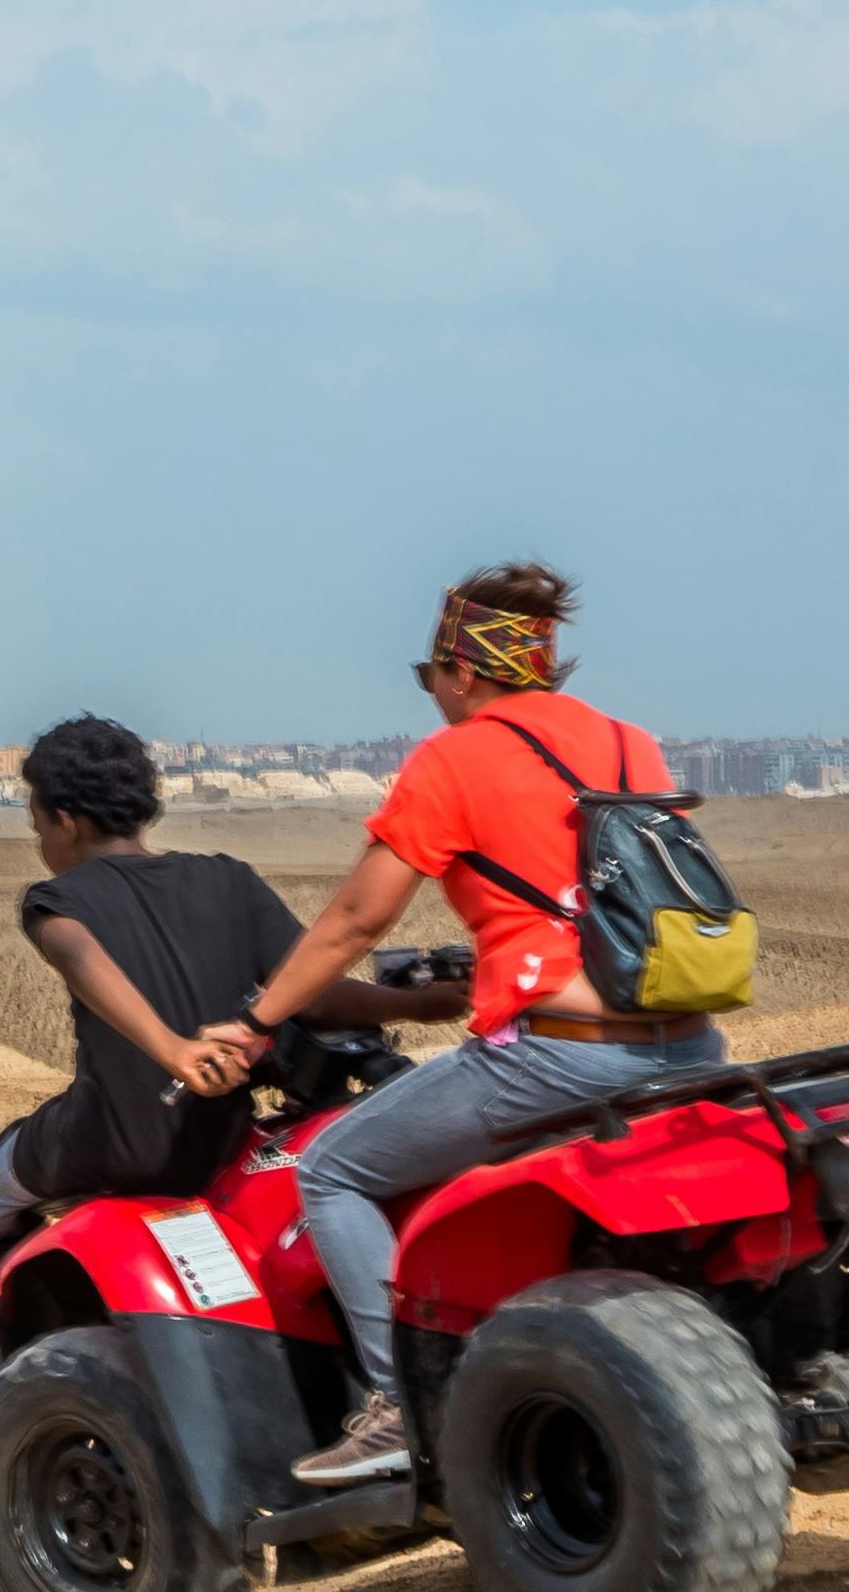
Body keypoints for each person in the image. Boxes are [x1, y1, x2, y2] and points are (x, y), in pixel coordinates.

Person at [214, 563, 727, 1442]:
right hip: (689, 1044)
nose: (434, 697)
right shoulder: (627, 742)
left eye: (430, 679)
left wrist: (258, 1021)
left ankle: (397, 1409)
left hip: (561, 1053)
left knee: (331, 1171)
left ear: (460, 670)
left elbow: (353, 921)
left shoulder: (454, 757)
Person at [0, 714, 449, 1410]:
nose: (40, 843)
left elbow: (76, 953)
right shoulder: (227, 880)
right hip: (219, 1141)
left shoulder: (57, 901)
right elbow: (316, 995)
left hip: (106, 1140)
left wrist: (170, 1049)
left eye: (38, 826)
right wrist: (420, 1004)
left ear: (67, 819)